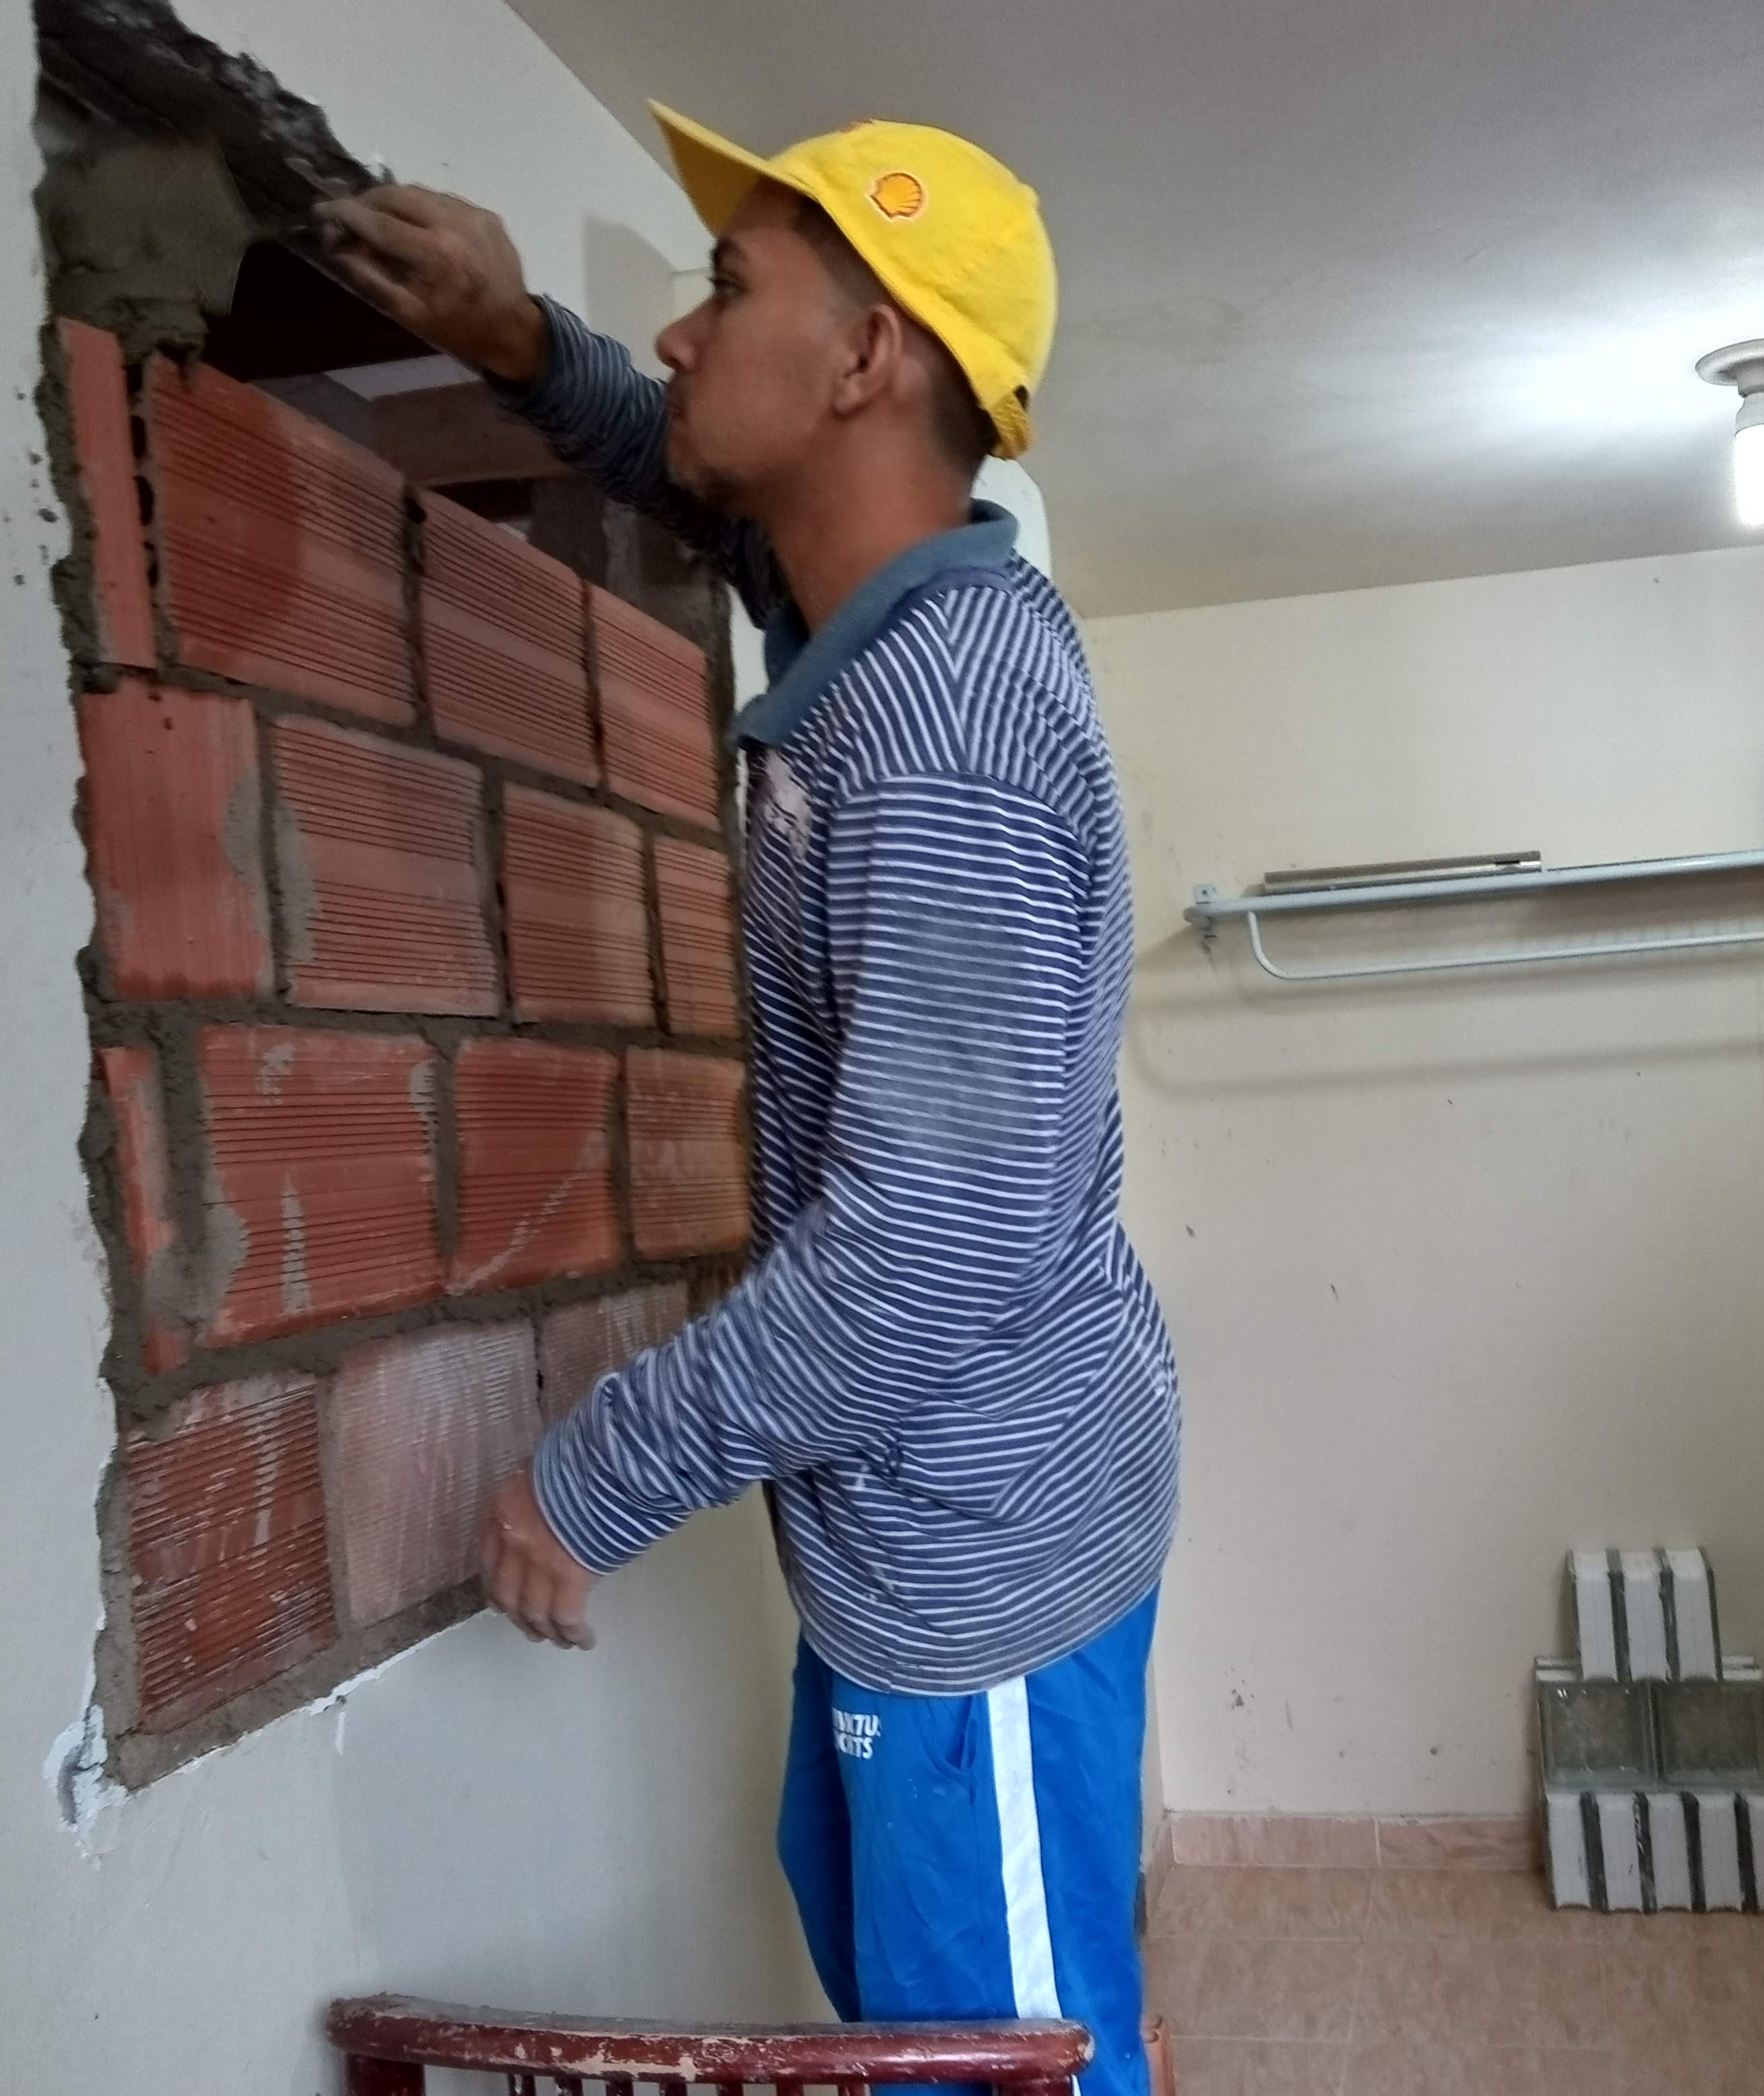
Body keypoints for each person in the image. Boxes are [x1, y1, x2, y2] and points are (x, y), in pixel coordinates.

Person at [320, 106, 1178, 2095]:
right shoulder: (880, 622)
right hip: (937, 1526)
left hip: (983, 1560)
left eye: (726, 292)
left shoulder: (940, 741)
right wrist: (524, 342)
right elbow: (707, 489)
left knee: (1002, 2064)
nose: (684, 340)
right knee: (903, 1988)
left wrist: (585, 1474)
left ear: (872, 360)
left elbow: (913, 1260)